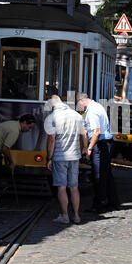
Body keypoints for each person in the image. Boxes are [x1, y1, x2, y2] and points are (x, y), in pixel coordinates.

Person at [0, 114, 36, 209]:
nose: (29, 130)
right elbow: (5, 148)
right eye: (29, 127)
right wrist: (12, 162)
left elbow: (3, 147)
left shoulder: (13, 125)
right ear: (24, 123)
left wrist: (7, 159)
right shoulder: (15, 131)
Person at [45, 95, 88, 224]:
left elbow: (52, 139)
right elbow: (84, 133)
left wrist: (49, 157)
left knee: (62, 187)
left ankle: (64, 216)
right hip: (74, 156)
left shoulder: (53, 117)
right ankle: (76, 215)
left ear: (53, 105)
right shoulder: (76, 115)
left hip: (60, 157)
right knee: (74, 187)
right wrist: (85, 147)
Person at [76, 92, 120, 213]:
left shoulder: (92, 111)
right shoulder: (96, 106)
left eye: (77, 103)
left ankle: (101, 203)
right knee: (106, 174)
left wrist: (89, 148)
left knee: (99, 175)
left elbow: (96, 132)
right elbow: (86, 130)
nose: (78, 106)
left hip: (101, 145)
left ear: (81, 101)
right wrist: (86, 146)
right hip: (106, 144)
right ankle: (113, 201)